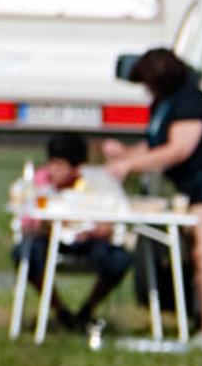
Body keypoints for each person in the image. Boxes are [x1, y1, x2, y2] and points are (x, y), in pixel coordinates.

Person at [97, 49, 202, 349]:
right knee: (199, 257)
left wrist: (130, 166)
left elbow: (178, 149)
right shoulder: (164, 104)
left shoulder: (190, 102)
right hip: (198, 189)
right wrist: (125, 155)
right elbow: (157, 144)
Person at [16, 135, 147, 334]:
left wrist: (94, 230)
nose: (53, 170)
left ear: (76, 168)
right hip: (50, 239)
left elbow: (112, 221)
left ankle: (87, 310)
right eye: (51, 163)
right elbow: (24, 223)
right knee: (25, 253)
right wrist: (43, 225)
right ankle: (60, 311)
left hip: (89, 241)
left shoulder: (96, 184)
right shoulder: (38, 183)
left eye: (60, 164)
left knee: (118, 259)